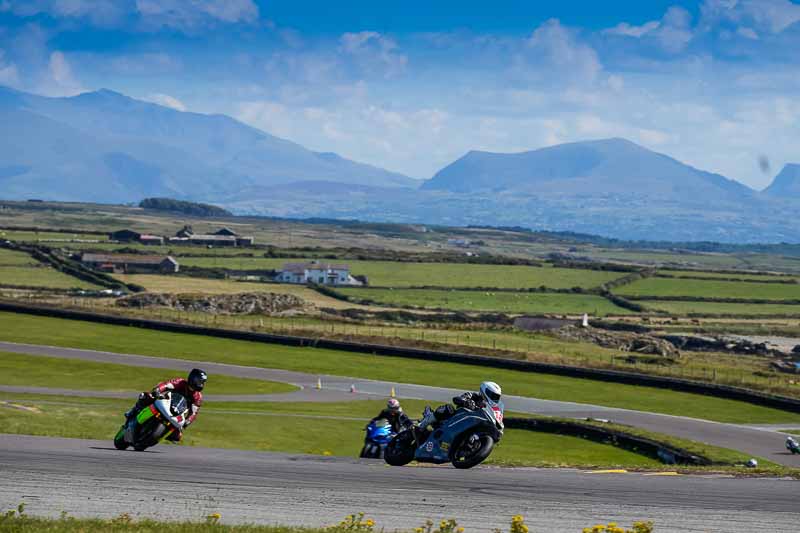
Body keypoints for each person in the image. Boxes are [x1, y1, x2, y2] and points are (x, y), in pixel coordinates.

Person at [125, 368, 207, 440]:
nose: (201, 384)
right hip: (165, 402)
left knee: (177, 436)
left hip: (176, 414)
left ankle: (159, 436)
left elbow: (194, 412)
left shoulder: (198, 397)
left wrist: (187, 421)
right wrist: (158, 390)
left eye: (202, 382)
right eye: (199, 381)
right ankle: (133, 411)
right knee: (146, 396)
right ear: (192, 378)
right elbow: (166, 385)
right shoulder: (180, 382)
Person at [417, 381, 502, 431]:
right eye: (493, 396)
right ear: (485, 391)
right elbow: (456, 399)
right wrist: (465, 402)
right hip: (454, 419)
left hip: (468, 426)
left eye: (496, 397)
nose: (494, 399)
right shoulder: (472, 395)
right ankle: (423, 423)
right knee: (448, 408)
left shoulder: (490, 409)